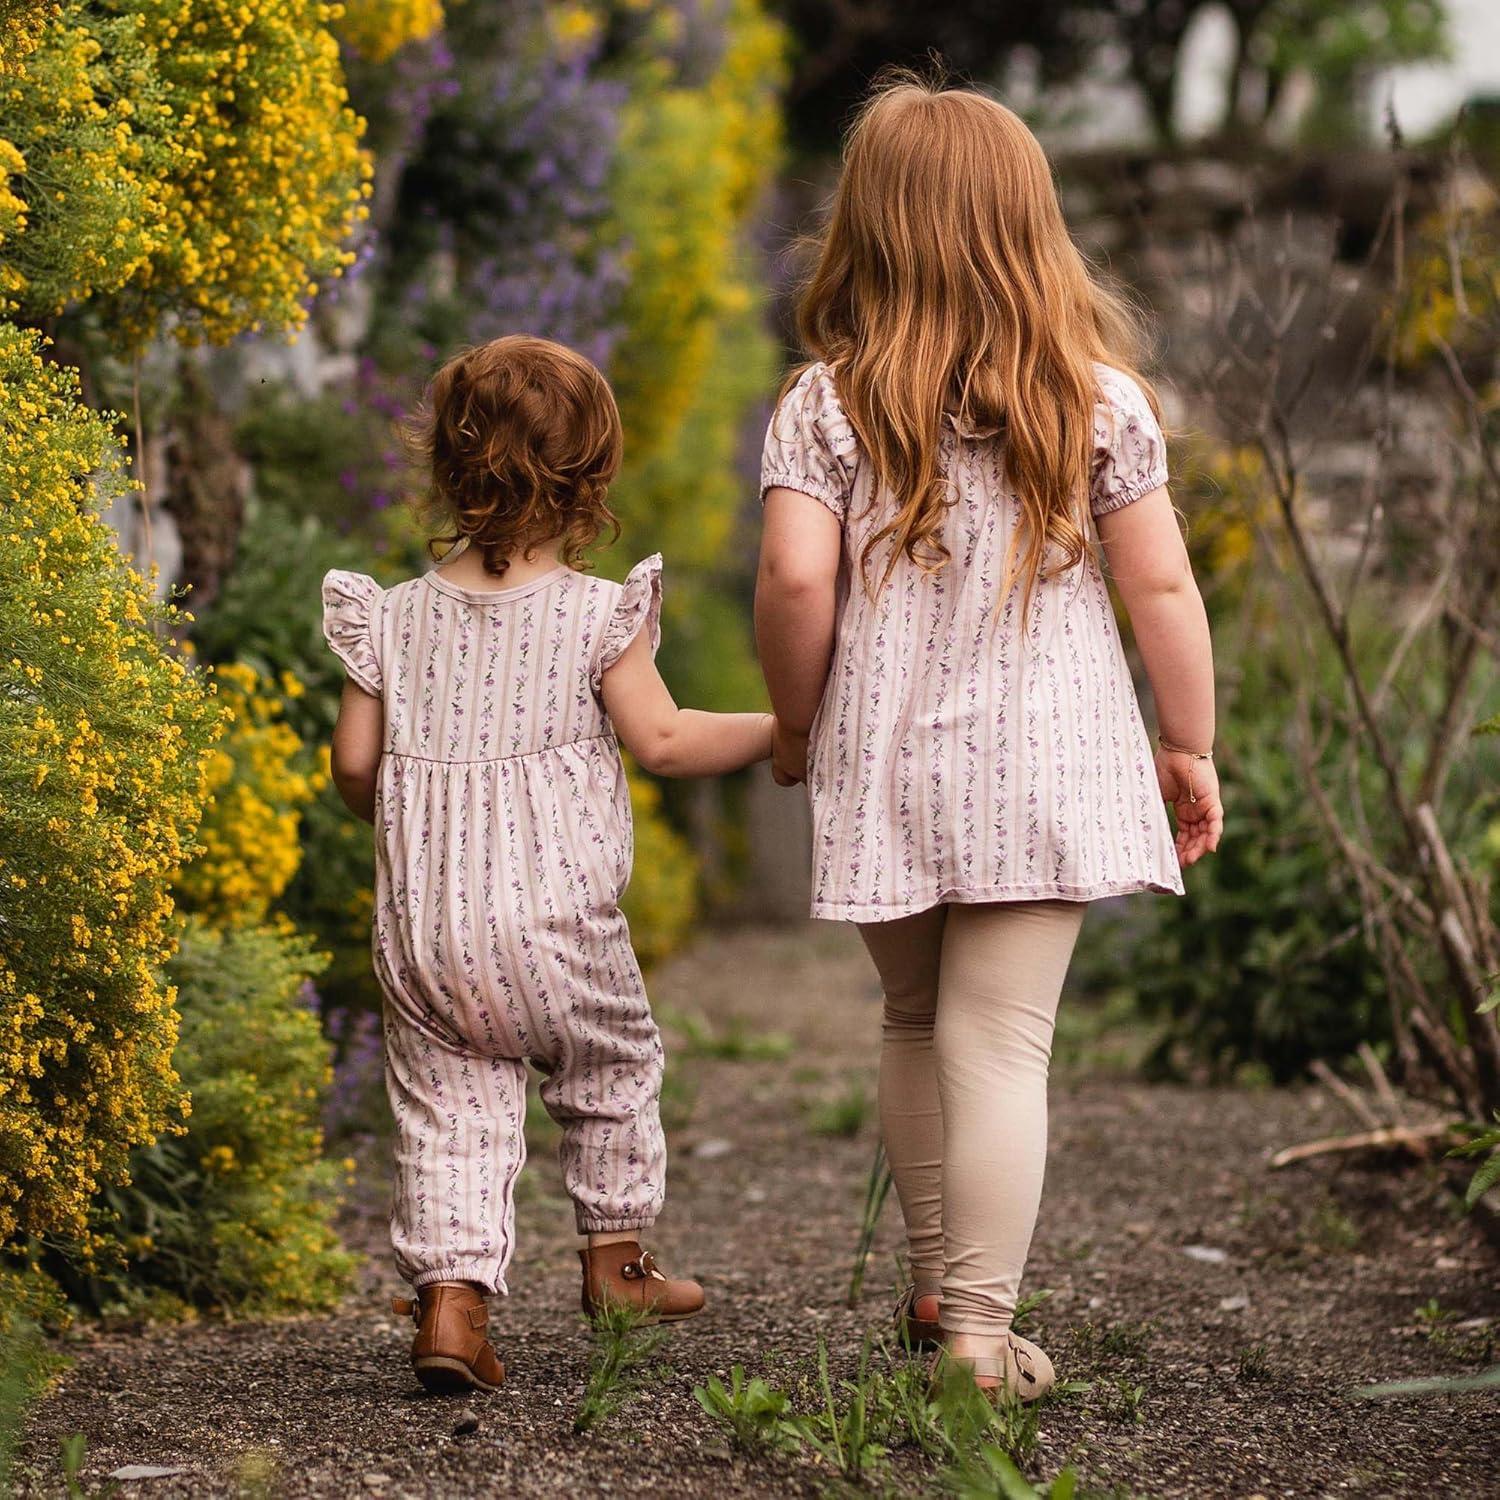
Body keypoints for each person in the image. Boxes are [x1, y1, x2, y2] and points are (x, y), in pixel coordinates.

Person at [754, 75, 1223, 1403]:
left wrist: (797, 721)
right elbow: (1165, 592)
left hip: (886, 755)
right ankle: (975, 1333)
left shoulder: (824, 405)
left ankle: (930, 1278)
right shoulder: (1099, 402)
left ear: (869, 229)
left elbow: (795, 584)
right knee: (1002, 1042)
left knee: (912, 1021)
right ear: (1031, 225)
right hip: (1046, 764)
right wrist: (1186, 743)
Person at [324, 334, 773, 1393]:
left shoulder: (389, 617)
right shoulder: (595, 614)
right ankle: (617, 1261)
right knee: (611, 1068)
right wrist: (783, 734)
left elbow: (354, 763)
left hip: (426, 934)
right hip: (558, 929)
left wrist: (390, 809)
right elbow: (662, 743)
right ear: (593, 477)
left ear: (445, 465)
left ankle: (451, 1308)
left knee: (448, 1108)